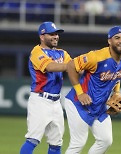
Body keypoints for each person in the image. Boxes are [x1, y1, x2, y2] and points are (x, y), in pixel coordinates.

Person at [64, 26, 121, 154]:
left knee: (106, 140)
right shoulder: (96, 57)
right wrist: (80, 93)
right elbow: (71, 65)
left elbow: (117, 76)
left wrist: (116, 92)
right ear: (109, 41)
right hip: (78, 104)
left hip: (99, 107)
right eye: (117, 38)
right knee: (78, 143)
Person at [20, 21, 71, 154]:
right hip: (40, 100)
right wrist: (72, 65)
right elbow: (50, 67)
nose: (56, 37)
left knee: (56, 143)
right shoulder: (37, 52)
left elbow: (75, 67)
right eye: (52, 34)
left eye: (57, 34)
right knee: (33, 139)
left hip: (56, 102)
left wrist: (89, 63)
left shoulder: (62, 53)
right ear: (42, 36)